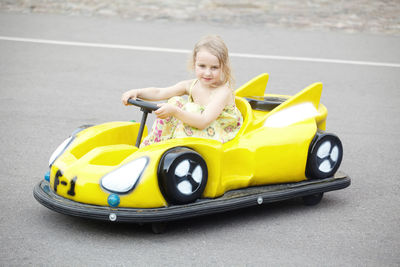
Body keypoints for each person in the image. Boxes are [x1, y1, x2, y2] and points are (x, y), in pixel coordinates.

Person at [121, 35, 243, 147]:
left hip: (219, 133)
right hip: (199, 129)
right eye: (202, 66)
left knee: (184, 108)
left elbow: (203, 121)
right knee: (175, 101)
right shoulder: (192, 85)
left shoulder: (222, 92)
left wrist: (175, 112)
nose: (207, 73)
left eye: (214, 67)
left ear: (224, 67)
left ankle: (176, 148)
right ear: (194, 64)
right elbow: (160, 92)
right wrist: (137, 92)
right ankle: (154, 144)